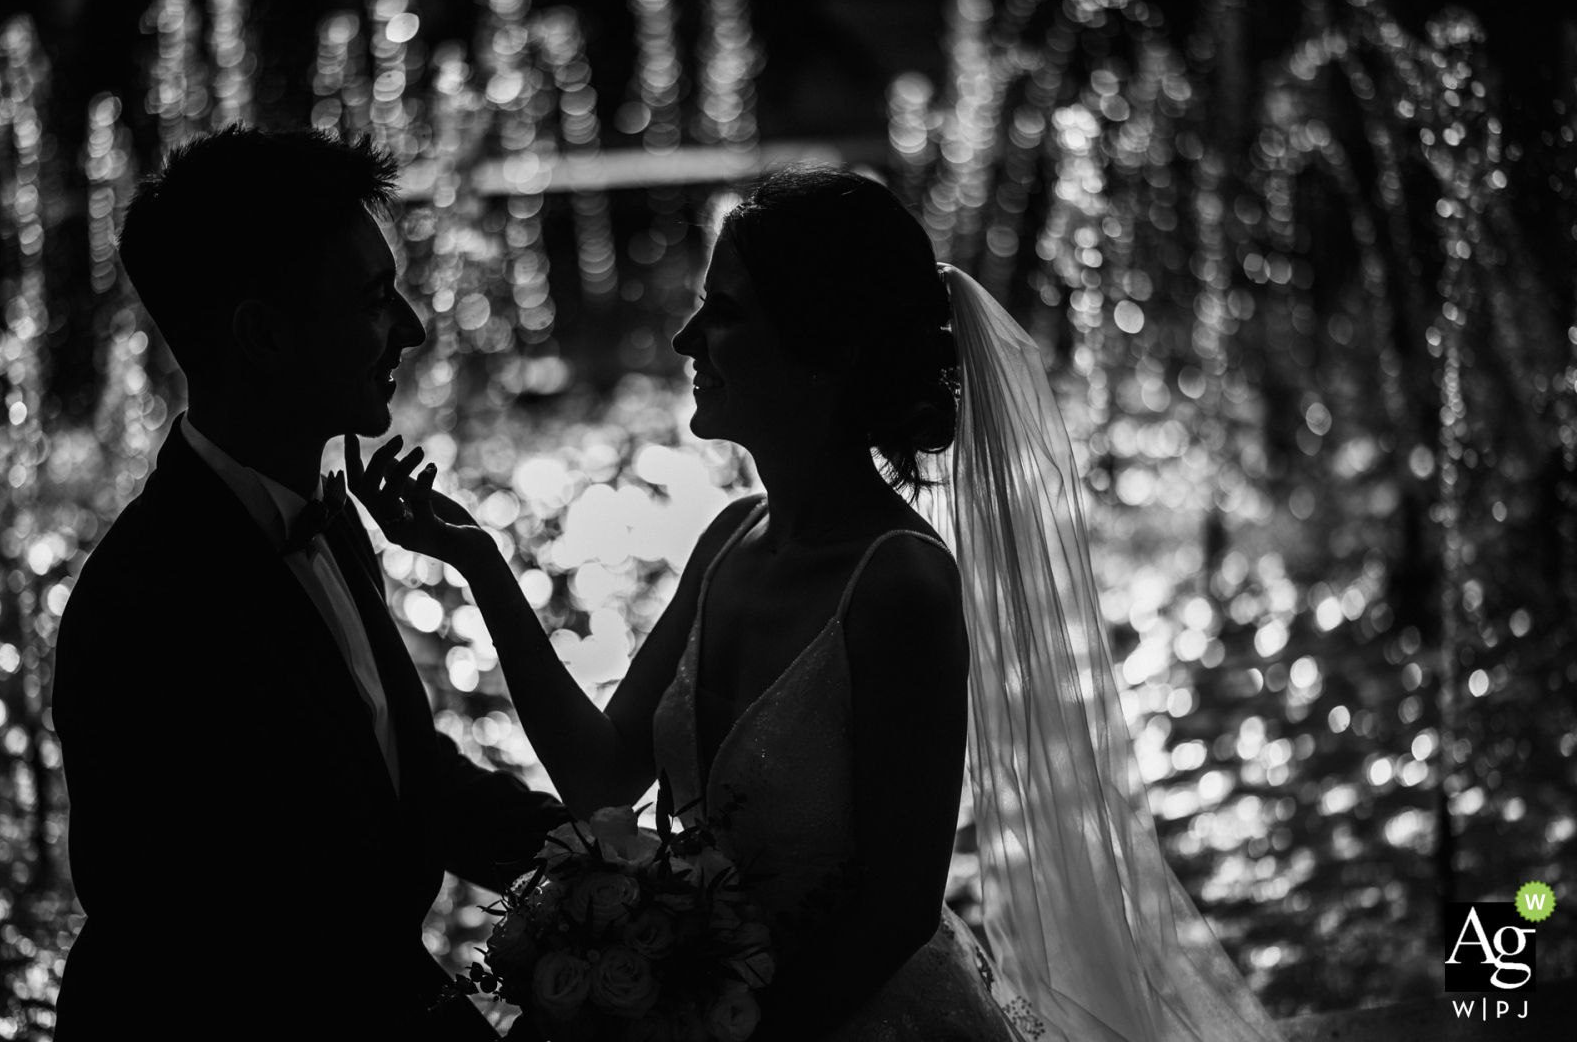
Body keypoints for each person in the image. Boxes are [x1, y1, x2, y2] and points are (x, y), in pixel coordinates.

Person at [352, 165, 1283, 1041]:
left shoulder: (900, 584)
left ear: (824, 353)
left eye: (722, 314)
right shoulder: (726, 541)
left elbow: (898, 909)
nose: (685, 340)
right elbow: (600, 777)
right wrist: (480, 567)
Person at [52, 127, 569, 1040]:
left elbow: (411, 783)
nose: (410, 328)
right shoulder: (149, 606)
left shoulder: (329, 524)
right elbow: (235, 950)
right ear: (263, 334)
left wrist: (623, 875)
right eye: (375, 300)